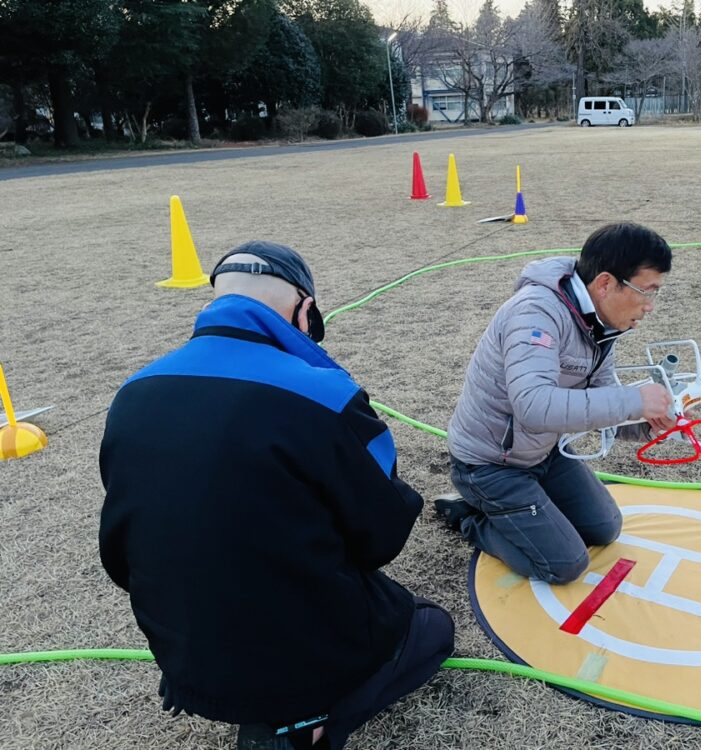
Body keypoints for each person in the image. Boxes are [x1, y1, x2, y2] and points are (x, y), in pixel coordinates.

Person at [99, 240, 454, 750]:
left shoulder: (132, 392)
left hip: (182, 655)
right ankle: (306, 726)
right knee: (430, 627)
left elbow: (120, 554)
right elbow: (381, 536)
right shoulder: (324, 393)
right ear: (304, 310)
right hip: (296, 654)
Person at [435, 222, 675, 584]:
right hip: (489, 464)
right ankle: (471, 517)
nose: (649, 306)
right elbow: (533, 405)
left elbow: (603, 398)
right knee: (565, 564)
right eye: (647, 291)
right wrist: (633, 400)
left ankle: (516, 511)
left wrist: (646, 421)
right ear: (606, 283)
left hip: (544, 451)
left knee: (605, 527)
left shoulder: (600, 322)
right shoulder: (535, 313)